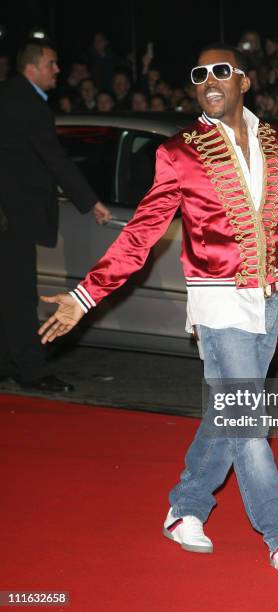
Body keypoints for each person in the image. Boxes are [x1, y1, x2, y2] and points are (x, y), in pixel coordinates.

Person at [38, 43, 278, 577]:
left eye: (221, 71)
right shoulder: (180, 152)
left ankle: (186, 506)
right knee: (249, 420)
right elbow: (142, 233)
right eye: (199, 74)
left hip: (268, 302)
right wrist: (86, 295)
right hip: (217, 301)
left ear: (244, 81)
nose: (209, 80)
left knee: (228, 412)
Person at [0, 39, 111, 392]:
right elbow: (56, 160)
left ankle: (9, 363)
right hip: (13, 217)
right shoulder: (28, 104)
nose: (58, 71)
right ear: (32, 67)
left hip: (8, 214)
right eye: (52, 64)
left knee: (9, 295)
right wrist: (91, 201)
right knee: (19, 297)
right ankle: (30, 371)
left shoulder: (9, 96)